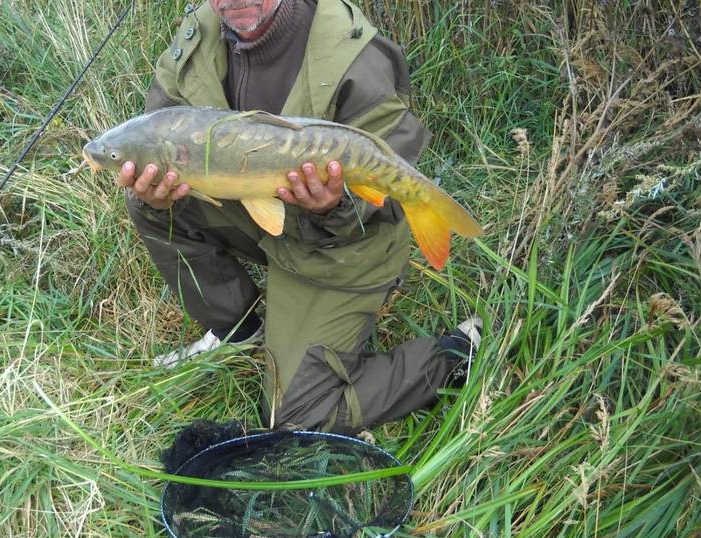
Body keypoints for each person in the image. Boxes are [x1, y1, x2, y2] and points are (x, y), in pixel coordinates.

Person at [118, 0, 481, 435]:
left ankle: (452, 357)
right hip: (264, 213)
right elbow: (153, 128)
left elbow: (390, 193)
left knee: (295, 418)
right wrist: (160, 194)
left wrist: (334, 205)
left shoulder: (355, 57)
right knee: (147, 203)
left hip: (342, 244)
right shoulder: (200, 35)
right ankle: (241, 330)